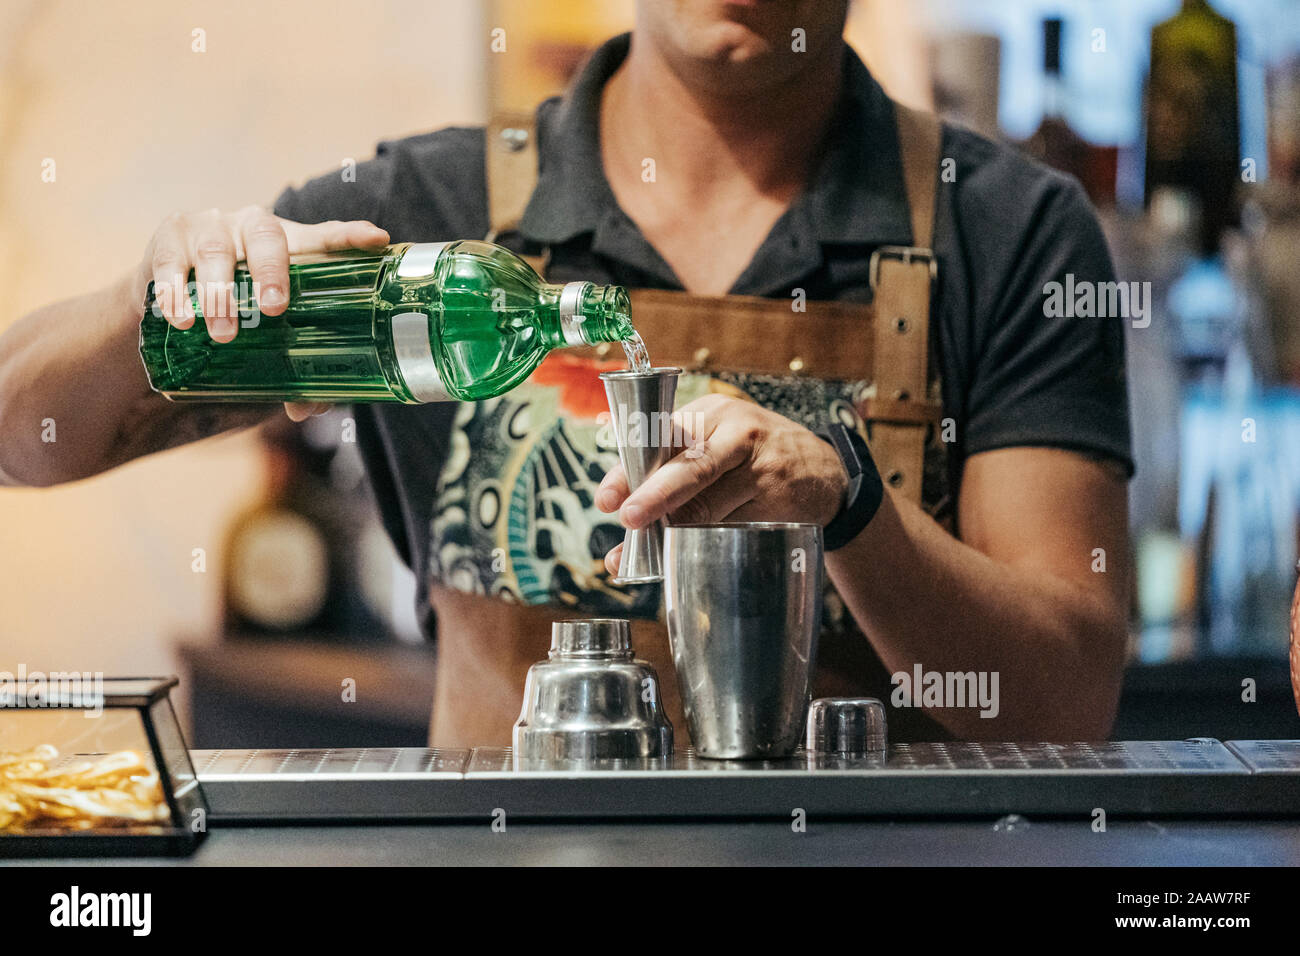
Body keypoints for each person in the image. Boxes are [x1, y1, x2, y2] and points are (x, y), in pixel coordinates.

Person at [0, 0, 1132, 746]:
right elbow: (20, 437)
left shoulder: (1008, 231)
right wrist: (145, 305)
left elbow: (1065, 703)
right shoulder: (425, 225)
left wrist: (850, 508)